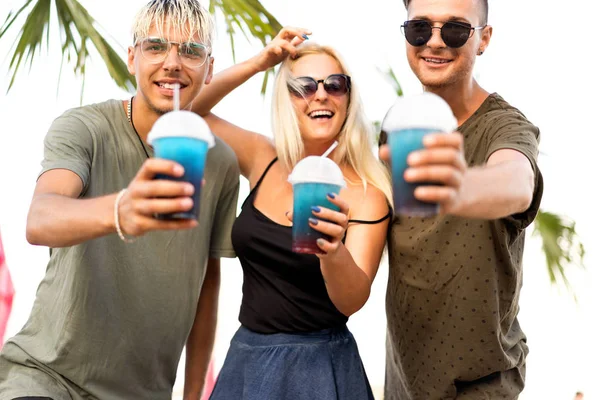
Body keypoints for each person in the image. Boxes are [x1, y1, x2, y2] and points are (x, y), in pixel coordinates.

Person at [0, 1, 239, 399]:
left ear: (209, 69)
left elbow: (206, 284)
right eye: (156, 46)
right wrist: (120, 210)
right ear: (133, 58)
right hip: (47, 377)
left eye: (191, 51)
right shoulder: (84, 128)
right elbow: (40, 218)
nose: (173, 63)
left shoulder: (220, 162)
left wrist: (194, 395)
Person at [190, 28, 392, 399]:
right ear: (286, 98)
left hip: (320, 370)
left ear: (348, 98)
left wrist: (333, 251)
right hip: (247, 361)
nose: (321, 94)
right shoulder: (262, 158)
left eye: (335, 84)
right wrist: (260, 62)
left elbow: (352, 300)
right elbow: (190, 109)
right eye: (304, 86)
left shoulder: (367, 194)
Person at [379, 0, 544, 398]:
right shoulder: (396, 130)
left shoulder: (504, 125)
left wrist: (459, 187)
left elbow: (516, 180)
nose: (434, 42)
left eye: (454, 29)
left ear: (483, 39)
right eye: (420, 28)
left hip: (482, 385)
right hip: (403, 381)